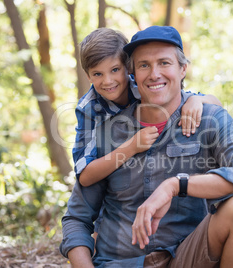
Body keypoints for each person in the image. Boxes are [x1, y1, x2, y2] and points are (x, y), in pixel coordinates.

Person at [60, 26, 233, 268]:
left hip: (187, 258)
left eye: (164, 63)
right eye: (144, 65)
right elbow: (77, 217)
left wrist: (176, 185)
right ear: (134, 73)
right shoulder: (106, 128)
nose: (154, 74)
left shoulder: (209, 119)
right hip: (119, 262)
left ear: (183, 69)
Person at [73, 28, 222, 240]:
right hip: (115, 189)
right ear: (88, 75)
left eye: (115, 70)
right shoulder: (89, 109)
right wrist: (131, 146)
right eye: (98, 74)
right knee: (100, 232)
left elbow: (214, 102)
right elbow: (85, 175)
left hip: (160, 175)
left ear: (129, 68)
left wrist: (196, 100)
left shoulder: (144, 85)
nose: (107, 81)